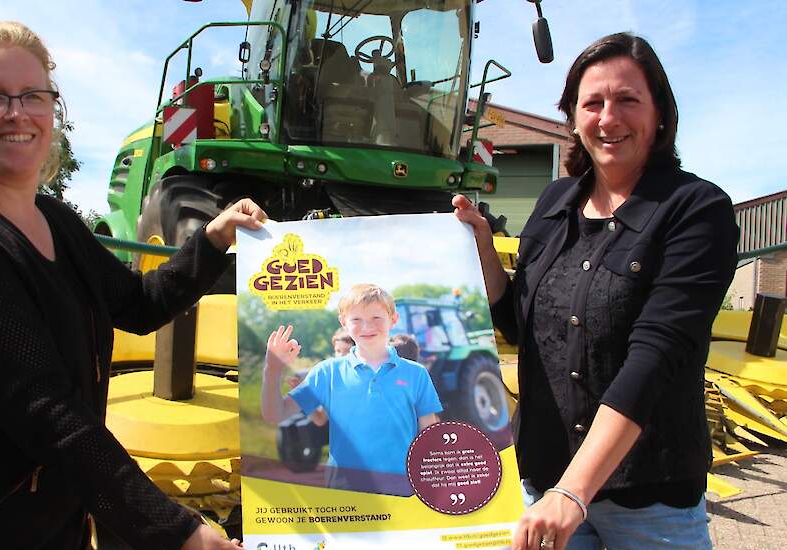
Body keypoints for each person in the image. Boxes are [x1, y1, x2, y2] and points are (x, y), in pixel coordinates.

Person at [0, 21, 264, 550]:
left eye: (33, 96)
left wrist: (213, 240)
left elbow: (140, 305)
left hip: (47, 522)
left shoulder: (54, 220)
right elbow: (47, 414)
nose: (18, 113)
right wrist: (181, 531)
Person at [454, 33, 737, 550]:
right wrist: (482, 249)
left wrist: (574, 492)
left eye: (627, 100)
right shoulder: (556, 201)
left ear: (660, 114)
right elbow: (520, 324)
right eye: (593, 103)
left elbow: (657, 356)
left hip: (650, 499)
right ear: (573, 116)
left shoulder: (696, 210)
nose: (609, 119)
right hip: (544, 486)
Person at [260, 284, 442, 482]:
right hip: (345, 490)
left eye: (376, 318)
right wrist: (273, 370)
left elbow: (429, 431)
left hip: (404, 487)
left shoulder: (416, 373)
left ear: (393, 319)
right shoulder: (326, 372)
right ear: (343, 323)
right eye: (356, 319)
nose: (367, 326)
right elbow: (274, 414)